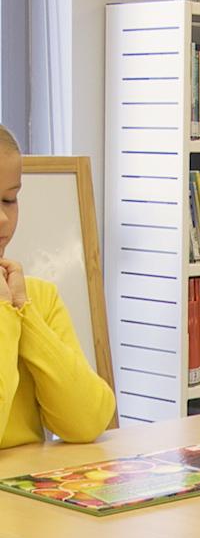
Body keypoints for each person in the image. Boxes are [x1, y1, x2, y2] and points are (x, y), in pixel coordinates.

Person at [0, 126, 115, 448]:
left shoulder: (35, 297)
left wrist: (22, 311)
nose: (3, 220)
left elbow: (88, 421)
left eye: (9, 200)